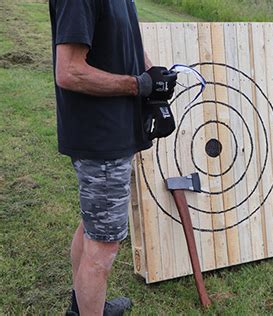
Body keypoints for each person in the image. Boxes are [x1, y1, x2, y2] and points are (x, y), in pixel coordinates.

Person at [48, 1, 176, 314]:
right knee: (103, 247)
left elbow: (125, 38)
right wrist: (137, 85)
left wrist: (151, 73)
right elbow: (69, 71)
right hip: (100, 137)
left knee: (93, 228)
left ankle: (82, 307)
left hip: (113, 132)